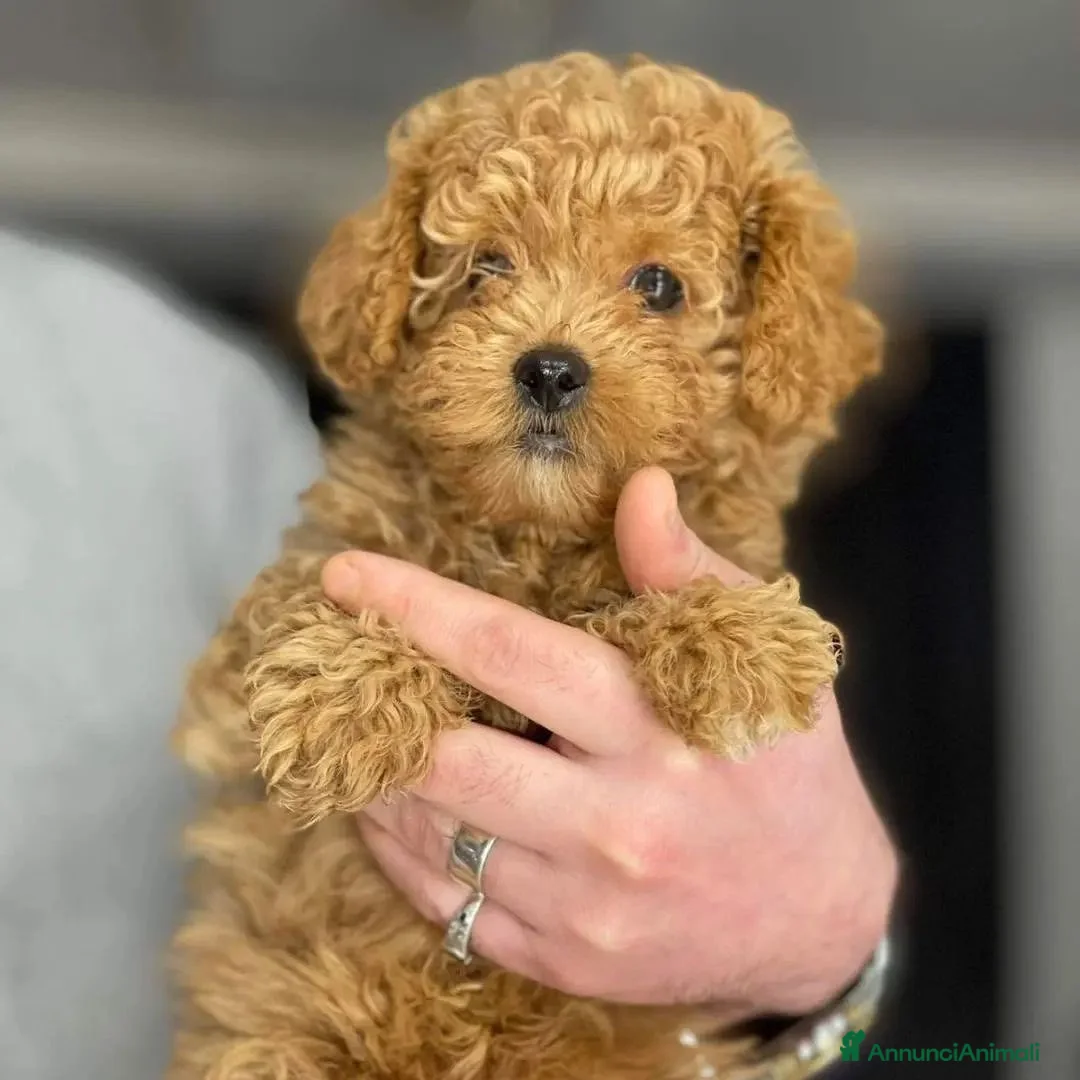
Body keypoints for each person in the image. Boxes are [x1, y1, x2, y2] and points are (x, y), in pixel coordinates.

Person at [0, 229, 896, 1080]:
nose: (553, 340)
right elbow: (293, 689)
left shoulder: (141, 384)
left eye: (655, 288)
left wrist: (818, 957)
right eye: (488, 268)